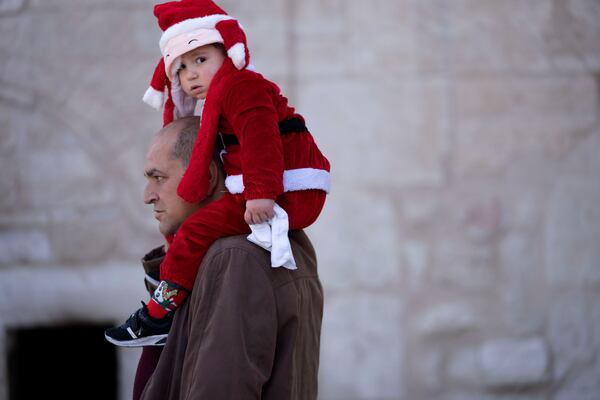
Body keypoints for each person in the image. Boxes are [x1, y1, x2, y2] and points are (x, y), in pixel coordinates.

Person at [106, 0, 331, 346]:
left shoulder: (242, 86)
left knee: (196, 228)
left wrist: (260, 193)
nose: (191, 74)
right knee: (193, 226)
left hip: (288, 190)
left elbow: (261, 138)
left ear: (229, 53)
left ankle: (158, 315)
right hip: (273, 187)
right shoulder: (225, 95)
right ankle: (173, 280)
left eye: (200, 59)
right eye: (180, 68)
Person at [128, 117, 324, 399]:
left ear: (206, 177)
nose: (148, 196)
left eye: (159, 178)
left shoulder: (234, 257)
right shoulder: (263, 243)